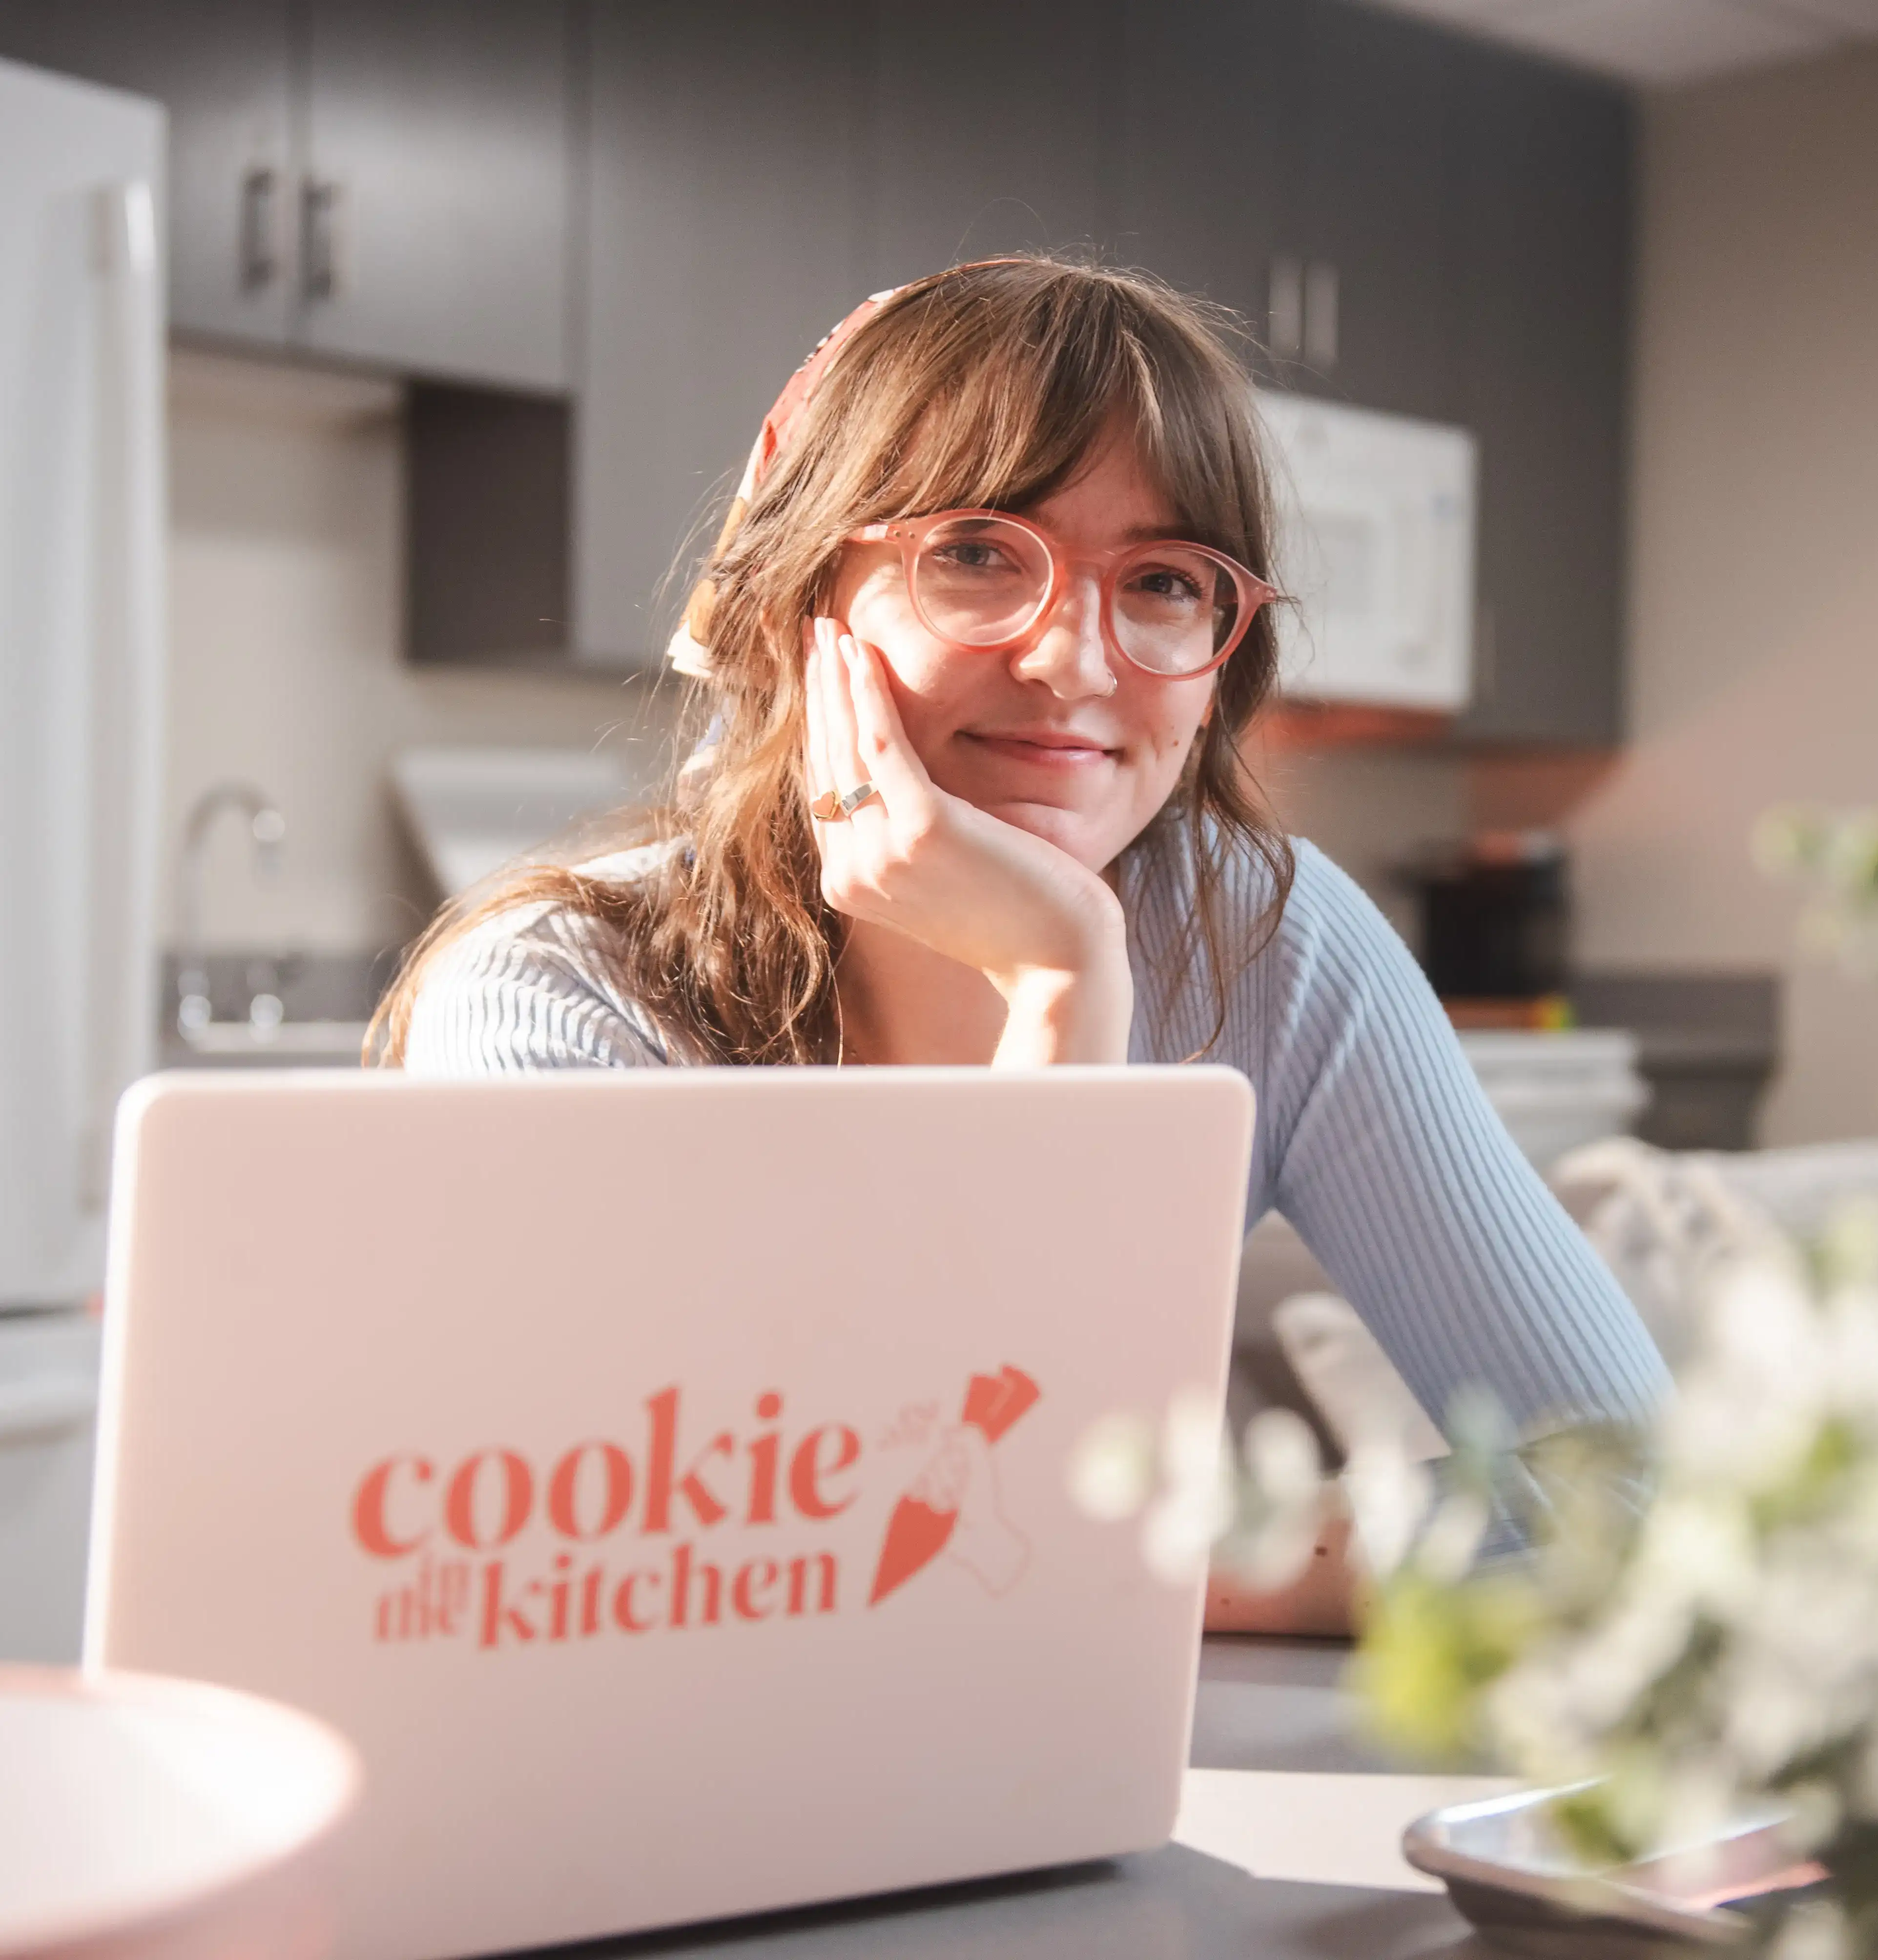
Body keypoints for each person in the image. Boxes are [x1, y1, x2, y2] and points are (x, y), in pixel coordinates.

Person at [373, 258, 1667, 1632]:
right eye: (979, 554)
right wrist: (1059, 991)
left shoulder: (1266, 942)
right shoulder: (556, 995)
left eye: (1163, 579)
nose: (1077, 662)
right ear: (795, 605)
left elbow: (1640, 1493)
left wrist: (1179, 1562)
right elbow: (683, 1591)